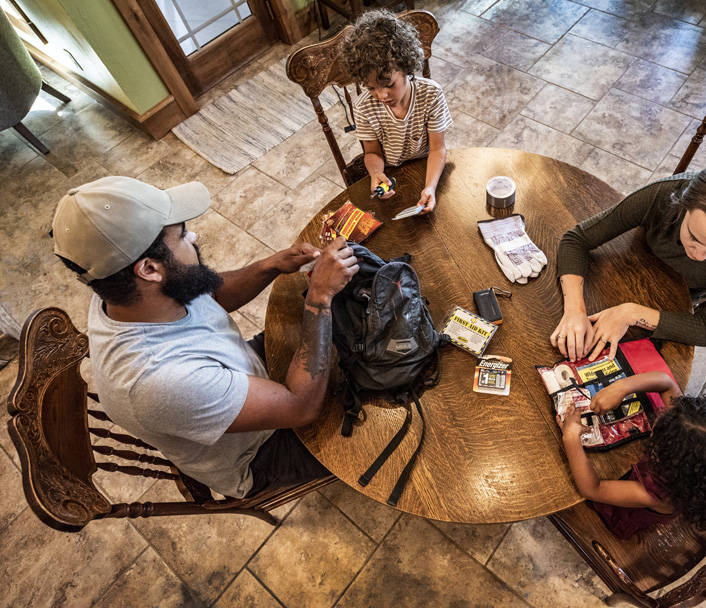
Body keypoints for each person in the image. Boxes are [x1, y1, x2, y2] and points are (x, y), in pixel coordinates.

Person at [51, 176, 359, 498]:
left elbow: (205, 294)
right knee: (380, 414)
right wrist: (319, 296)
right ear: (150, 269)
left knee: (352, 325)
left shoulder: (120, 287)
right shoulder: (157, 383)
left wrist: (269, 266)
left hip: (242, 371)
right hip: (261, 452)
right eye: (182, 235)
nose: (193, 236)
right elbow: (301, 408)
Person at [552, 149, 706, 361]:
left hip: (683, 301)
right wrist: (575, 311)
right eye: (694, 237)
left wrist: (631, 313)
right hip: (633, 265)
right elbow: (576, 239)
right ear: (683, 203)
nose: (699, 255)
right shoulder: (664, 192)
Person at [556, 371, 706, 538]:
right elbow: (666, 382)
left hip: (620, 510)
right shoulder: (689, 426)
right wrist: (623, 386)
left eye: (661, 432)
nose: (659, 418)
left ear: (669, 459)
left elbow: (593, 489)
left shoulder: (654, 494)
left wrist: (571, 438)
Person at [341, 9, 452, 214]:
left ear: (406, 67)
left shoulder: (431, 94)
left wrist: (430, 187)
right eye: (371, 88)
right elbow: (372, 152)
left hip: (427, 168)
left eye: (388, 84)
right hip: (391, 173)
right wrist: (375, 173)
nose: (382, 95)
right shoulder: (363, 106)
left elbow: (437, 149)